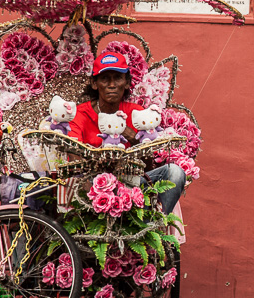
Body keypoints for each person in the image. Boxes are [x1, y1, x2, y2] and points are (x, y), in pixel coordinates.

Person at [69, 51, 186, 213]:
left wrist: (134, 139)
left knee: (175, 172)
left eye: (117, 78)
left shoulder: (138, 113)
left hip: (132, 184)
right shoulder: (79, 114)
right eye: (104, 79)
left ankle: (151, 227)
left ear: (126, 83)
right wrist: (94, 193)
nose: (111, 85)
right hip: (94, 185)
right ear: (94, 84)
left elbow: (147, 167)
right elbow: (74, 159)